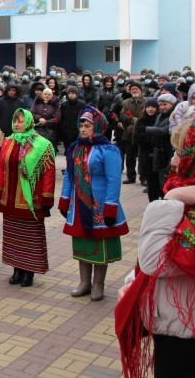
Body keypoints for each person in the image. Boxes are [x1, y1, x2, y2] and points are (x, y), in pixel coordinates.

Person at [115, 194, 195, 378]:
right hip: (173, 325)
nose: (174, 163)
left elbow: (153, 260)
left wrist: (173, 196)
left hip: (184, 333)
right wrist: (135, 283)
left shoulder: (180, 193)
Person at [59, 106, 128, 301]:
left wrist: (110, 207)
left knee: (100, 242)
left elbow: (114, 180)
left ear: (98, 127)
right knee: (82, 242)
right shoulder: (76, 148)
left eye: (87, 125)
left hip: (100, 205)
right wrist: (65, 201)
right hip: (80, 205)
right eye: (81, 125)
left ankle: (98, 284)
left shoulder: (108, 150)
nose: (82, 129)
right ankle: (84, 282)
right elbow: (69, 177)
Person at [0, 109, 56, 288]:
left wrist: (46, 199)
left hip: (31, 201)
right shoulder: (8, 141)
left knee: (30, 237)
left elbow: (49, 173)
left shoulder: (42, 144)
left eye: (21, 121)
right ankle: (16, 269)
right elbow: (1, 168)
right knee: (13, 236)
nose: (17, 124)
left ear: (29, 122)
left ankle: (29, 272)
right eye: (15, 120)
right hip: (11, 198)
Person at [133, 98, 160, 202]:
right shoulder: (141, 120)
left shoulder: (159, 119)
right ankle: (152, 203)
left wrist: (149, 134)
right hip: (146, 154)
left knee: (159, 181)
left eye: (153, 107)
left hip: (158, 154)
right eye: (148, 107)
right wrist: (150, 137)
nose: (150, 109)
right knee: (151, 182)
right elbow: (136, 137)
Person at [121, 80, 147, 185]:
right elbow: (123, 115)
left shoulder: (146, 102)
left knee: (142, 157)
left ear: (140, 90)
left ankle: (143, 177)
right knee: (130, 156)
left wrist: (139, 121)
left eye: (136, 89)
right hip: (129, 133)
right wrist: (133, 120)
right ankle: (130, 176)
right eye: (132, 89)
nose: (134, 90)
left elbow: (149, 114)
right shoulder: (126, 102)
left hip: (142, 133)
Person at [60, 86, 86, 153]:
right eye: (69, 93)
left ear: (76, 94)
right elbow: (61, 117)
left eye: (72, 93)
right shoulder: (64, 105)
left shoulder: (82, 105)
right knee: (67, 151)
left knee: (76, 152)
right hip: (66, 131)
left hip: (76, 131)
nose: (70, 95)